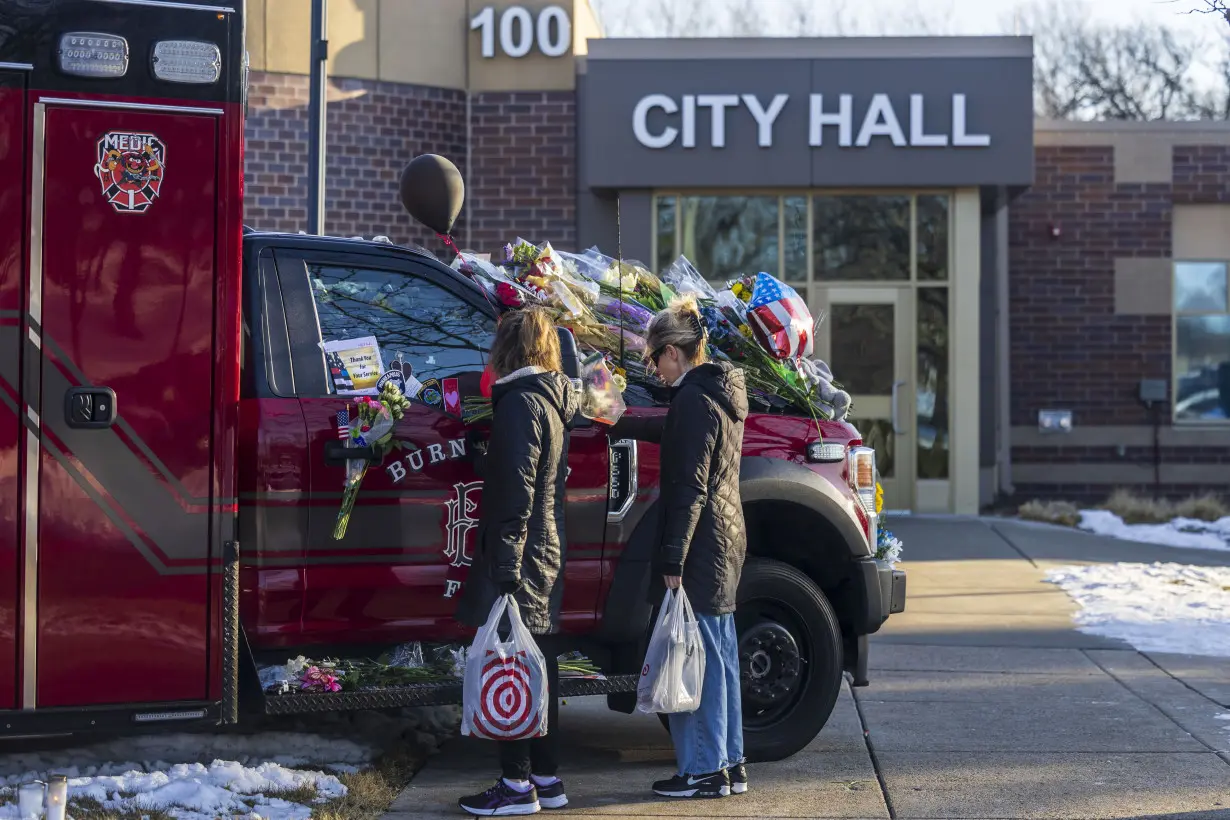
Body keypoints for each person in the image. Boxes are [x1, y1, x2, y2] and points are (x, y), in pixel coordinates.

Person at [610, 295, 750, 799]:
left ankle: (703, 770)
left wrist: (672, 556)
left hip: (700, 546)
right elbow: (673, 431)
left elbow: (690, 487)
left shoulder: (694, 400)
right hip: (726, 541)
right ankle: (729, 764)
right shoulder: (719, 392)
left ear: (674, 352)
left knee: (700, 660)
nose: (653, 368)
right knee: (721, 654)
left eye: (653, 358)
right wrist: (615, 419)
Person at [454, 307, 579, 816]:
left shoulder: (518, 403)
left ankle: (515, 785)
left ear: (507, 351)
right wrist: (486, 456)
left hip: (520, 553)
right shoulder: (549, 399)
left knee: (511, 665)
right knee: (539, 663)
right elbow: (532, 472)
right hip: (546, 547)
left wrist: (503, 571)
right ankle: (547, 779)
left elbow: (515, 495)